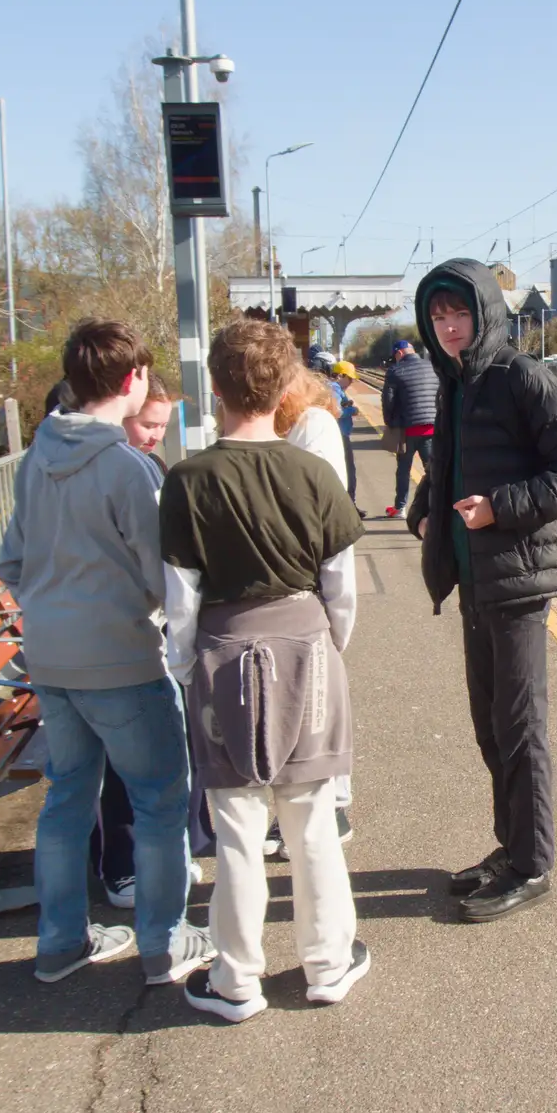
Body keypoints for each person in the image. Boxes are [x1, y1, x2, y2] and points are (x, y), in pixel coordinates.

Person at [163, 317, 368, 1021]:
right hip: (308, 651)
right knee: (312, 821)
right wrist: (326, 645)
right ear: (285, 385)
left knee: (237, 827)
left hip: (223, 655)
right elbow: (341, 588)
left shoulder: (187, 482)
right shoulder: (314, 473)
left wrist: (186, 664)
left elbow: (180, 599)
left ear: (214, 387)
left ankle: (236, 979)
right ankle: (328, 965)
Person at [0, 318, 213, 985]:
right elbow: (164, 575)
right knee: (157, 802)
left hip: (51, 657)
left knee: (66, 800)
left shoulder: (37, 457)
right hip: (121, 659)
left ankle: (61, 941)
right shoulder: (126, 468)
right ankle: (163, 941)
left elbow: (12, 563)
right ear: (131, 380)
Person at [406, 259, 557, 922]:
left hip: (518, 578)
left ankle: (533, 865)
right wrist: (423, 513)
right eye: (437, 317)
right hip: (476, 581)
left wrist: (501, 506)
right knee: (490, 725)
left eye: (458, 313)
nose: (449, 327)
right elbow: (450, 468)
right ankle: (511, 847)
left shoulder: (520, 377)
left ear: (485, 311)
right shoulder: (452, 384)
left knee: (520, 729)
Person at [89, 371, 184, 911]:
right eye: (148, 424)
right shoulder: (121, 471)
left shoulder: (140, 464)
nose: (154, 435)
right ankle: (123, 869)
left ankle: (133, 862)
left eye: (162, 427)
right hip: (122, 636)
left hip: (117, 633)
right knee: (128, 766)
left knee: (139, 762)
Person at [273, 363, 358, 849]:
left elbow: (326, 516)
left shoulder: (315, 427)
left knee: (317, 708)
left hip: (309, 589)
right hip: (299, 588)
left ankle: (334, 808)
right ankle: (305, 810)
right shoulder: (297, 426)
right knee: (299, 707)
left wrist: (339, 618)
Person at [381, 337, 439, 519]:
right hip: (432, 428)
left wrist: (390, 423)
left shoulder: (395, 371)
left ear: (399, 353)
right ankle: (436, 507)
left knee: (404, 469)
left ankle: (400, 508)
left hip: (407, 430)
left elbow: (388, 401)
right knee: (432, 469)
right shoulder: (432, 367)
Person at [328, 361, 364, 517]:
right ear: (341, 375)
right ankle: (350, 507)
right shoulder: (334, 388)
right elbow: (337, 411)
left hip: (338, 434)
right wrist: (352, 410)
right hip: (341, 435)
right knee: (349, 471)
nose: (351, 382)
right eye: (350, 378)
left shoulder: (332, 387)